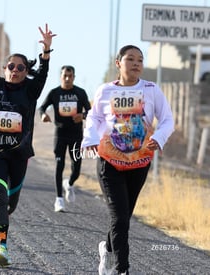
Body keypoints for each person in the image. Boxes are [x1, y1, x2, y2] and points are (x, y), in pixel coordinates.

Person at [81, 45, 174, 275]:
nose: (136, 63)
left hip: (139, 162)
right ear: (118, 63)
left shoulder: (152, 90)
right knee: (120, 217)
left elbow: (168, 119)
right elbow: (93, 117)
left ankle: (107, 247)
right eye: (130, 59)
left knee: (124, 217)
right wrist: (91, 138)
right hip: (109, 162)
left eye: (140, 60)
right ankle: (122, 269)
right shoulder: (105, 91)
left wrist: (159, 138)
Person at [0, 19, 56, 267]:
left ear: (24, 71)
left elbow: (43, 72)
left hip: (20, 154)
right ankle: (3, 246)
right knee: (0, 197)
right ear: (5, 68)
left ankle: (0, 224)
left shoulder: (30, 90)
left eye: (20, 67)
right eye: (11, 66)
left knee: (11, 203)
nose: (15, 70)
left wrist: (46, 50)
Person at [38, 65, 91, 212]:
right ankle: (59, 199)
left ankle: (70, 183)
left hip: (76, 135)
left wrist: (83, 116)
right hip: (60, 133)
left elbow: (90, 111)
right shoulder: (54, 93)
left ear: (74, 77)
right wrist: (43, 115)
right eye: (64, 76)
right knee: (59, 165)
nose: (67, 78)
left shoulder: (80, 93)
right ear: (60, 77)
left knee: (77, 168)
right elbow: (41, 107)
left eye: (70, 76)